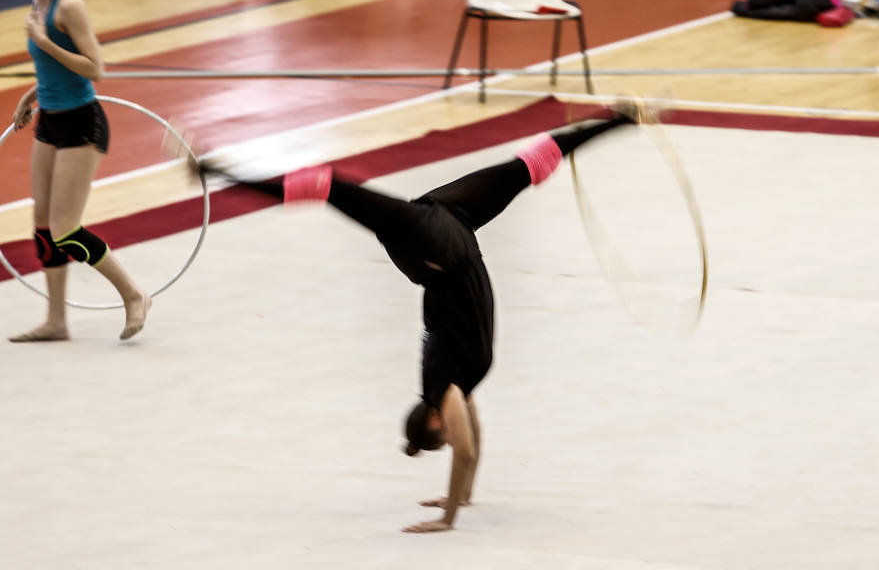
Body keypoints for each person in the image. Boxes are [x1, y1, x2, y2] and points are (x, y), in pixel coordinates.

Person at [196, 107, 640, 532]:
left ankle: (223, 174)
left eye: (444, 435)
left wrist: (447, 518)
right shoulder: (460, 389)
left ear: (434, 421)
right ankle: (623, 118)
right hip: (452, 224)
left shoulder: (442, 386)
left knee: (329, 187)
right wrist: (462, 497)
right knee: (528, 166)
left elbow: (464, 452)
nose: (455, 433)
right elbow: (474, 441)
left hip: (429, 248)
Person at [9, 0, 149, 342]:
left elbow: (94, 68)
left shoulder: (68, 5)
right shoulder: (36, 4)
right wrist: (32, 94)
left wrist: (44, 41)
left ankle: (133, 295)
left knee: (65, 229)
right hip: (49, 121)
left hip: (82, 123)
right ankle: (56, 320)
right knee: (42, 224)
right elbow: (55, 70)